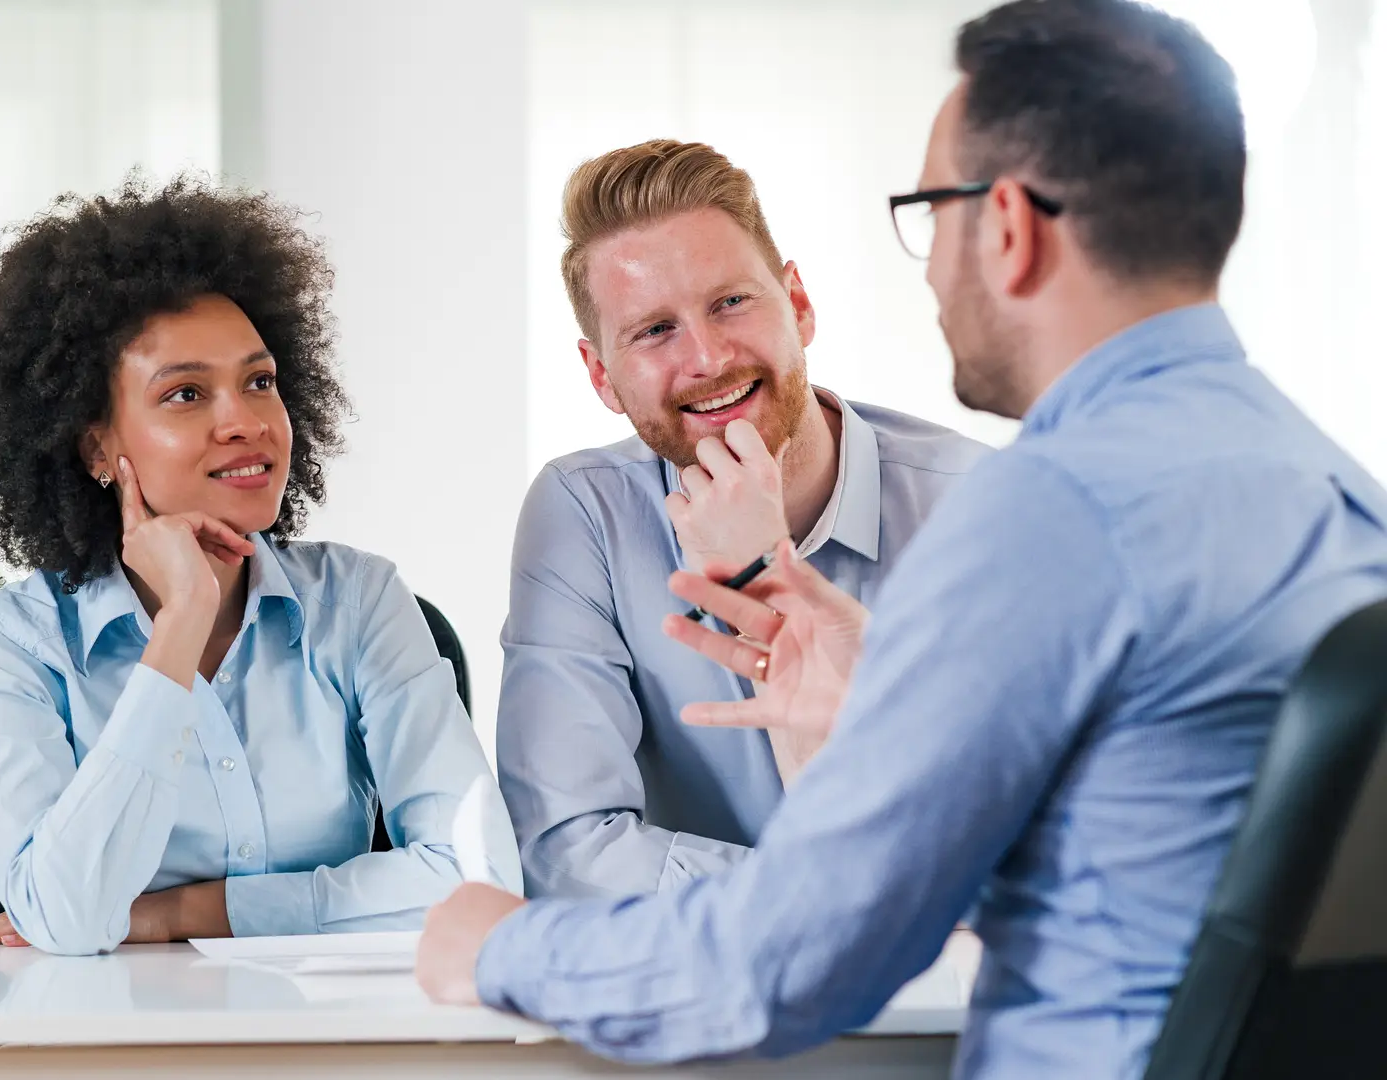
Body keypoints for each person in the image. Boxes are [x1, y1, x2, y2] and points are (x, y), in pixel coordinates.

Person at [418, 2, 1387, 1077]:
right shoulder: (1341, 492)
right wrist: (881, 710)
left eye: (931, 213)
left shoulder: (1044, 511)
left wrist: (504, 945)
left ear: (1008, 228)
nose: (927, 271)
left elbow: (789, 962)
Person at [0, 177, 520, 955]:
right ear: (96, 448)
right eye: (185, 394)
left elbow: (479, 879)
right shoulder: (6, 646)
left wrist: (174, 913)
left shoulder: (359, 601)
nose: (245, 423)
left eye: (259, 382)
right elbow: (70, 920)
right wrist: (179, 623)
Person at [498, 138, 988, 899]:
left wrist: (764, 565)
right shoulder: (584, 514)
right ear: (602, 376)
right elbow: (569, 851)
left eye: (730, 302)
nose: (709, 357)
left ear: (798, 303)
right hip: (698, 997)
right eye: (654, 330)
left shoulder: (974, 503)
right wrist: (828, 902)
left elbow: (994, 841)